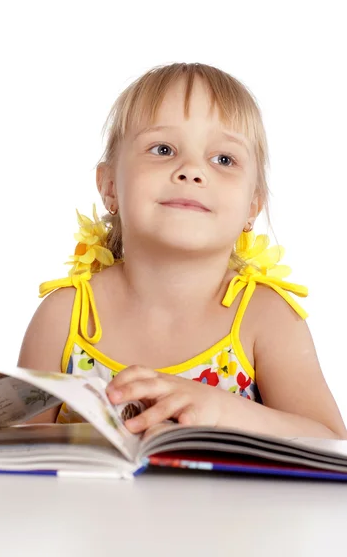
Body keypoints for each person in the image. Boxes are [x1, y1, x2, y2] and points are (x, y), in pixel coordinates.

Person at [19, 62, 346, 439]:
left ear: (252, 207)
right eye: (162, 149)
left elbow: (332, 443)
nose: (191, 171)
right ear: (110, 186)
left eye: (224, 159)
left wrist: (221, 408)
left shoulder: (266, 318)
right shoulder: (65, 316)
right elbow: (16, 456)